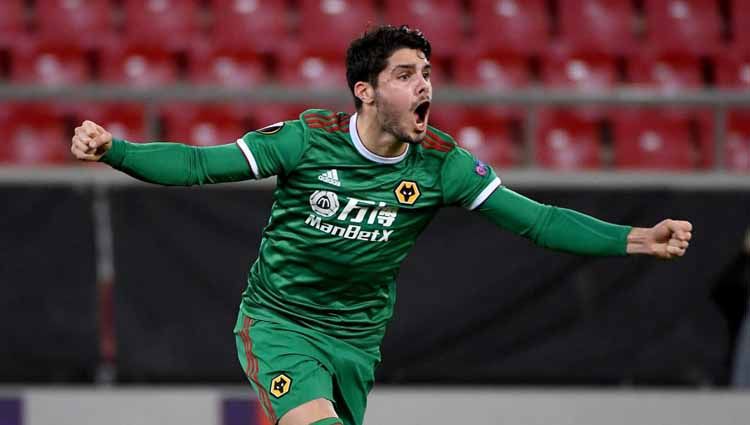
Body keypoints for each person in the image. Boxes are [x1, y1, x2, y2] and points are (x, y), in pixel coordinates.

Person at [71, 25, 692, 425]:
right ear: (364, 92)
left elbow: (538, 221)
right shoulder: (307, 140)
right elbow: (200, 165)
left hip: (358, 341)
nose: (424, 85)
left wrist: (636, 239)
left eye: (426, 73)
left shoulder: (443, 164)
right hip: (280, 323)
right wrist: (115, 150)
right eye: (405, 75)